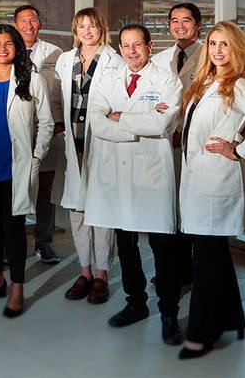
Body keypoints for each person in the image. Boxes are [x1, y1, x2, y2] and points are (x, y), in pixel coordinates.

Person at [177, 21, 245, 359]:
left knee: (205, 261)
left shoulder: (239, 85)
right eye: (213, 43)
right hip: (198, 179)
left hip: (216, 181)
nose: (218, 51)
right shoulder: (205, 82)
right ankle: (232, 318)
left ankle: (199, 334)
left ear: (236, 50)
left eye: (225, 45)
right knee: (215, 254)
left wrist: (238, 151)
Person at [85, 24, 186, 346]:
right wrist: (140, 121)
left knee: (162, 248)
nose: (131, 51)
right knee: (126, 246)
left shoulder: (167, 80)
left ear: (149, 46)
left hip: (151, 174)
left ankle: (169, 313)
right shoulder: (108, 79)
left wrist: (119, 117)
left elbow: (163, 123)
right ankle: (136, 303)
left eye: (137, 45)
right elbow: (96, 121)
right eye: (126, 45)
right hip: (117, 173)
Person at [0, 24, 54, 318]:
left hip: (16, 166)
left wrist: (37, 156)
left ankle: (17, 286)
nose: (2, 49)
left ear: (17, 47)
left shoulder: (32, 80)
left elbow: (46, 123)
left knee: (14, 228)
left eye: (8, 43)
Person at [55, 7, 123, 302]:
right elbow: (58, 98)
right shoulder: (65, 60)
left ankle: (101, 274)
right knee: (78, 212)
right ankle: (84, 272)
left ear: (101, 29)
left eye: (93, 25)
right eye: (82, 26)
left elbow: (119, 102)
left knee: (102, 211)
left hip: (100, 144)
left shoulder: (114, 61)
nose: (87, 31)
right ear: (75, 30)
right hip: (74, 144)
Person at [151, 2, 205, 289]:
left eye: (186, 20)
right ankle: (170, 269)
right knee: (167, 207)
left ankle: (187, 271)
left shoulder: (210, 57)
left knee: (189, 208)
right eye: (174, 20)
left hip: (193, 143)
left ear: (198, 25)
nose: (179, 26)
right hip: (165, 141)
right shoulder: (160, 59)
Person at [13, 4, 64, 265]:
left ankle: (44, 242)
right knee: (15, 188)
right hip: (16, 131)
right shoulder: (7, 51)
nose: (28, 25)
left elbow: (61, 91)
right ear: (15, 25)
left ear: (40, 24)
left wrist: (59, 122)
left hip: (48, 128)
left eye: (33, 20)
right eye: (23, 21)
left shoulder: (55, 53)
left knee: (45, 188)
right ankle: (13, 244)